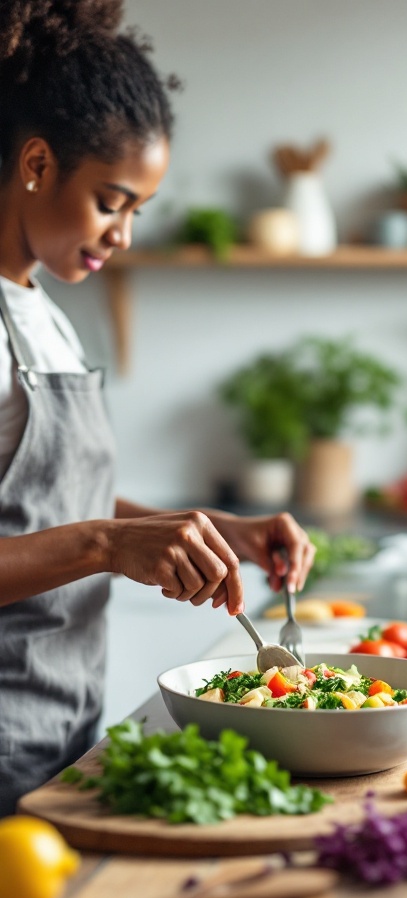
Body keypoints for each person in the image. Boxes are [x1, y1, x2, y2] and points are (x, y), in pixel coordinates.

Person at [0, 0, 315, 815]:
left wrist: (215, 530)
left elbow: (42, 501)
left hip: (56, 732)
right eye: (112, 201)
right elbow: (83, 529)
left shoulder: (44, 313)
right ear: (36, 164)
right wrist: (109, 543)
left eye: (137, 211)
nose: (124, 236)